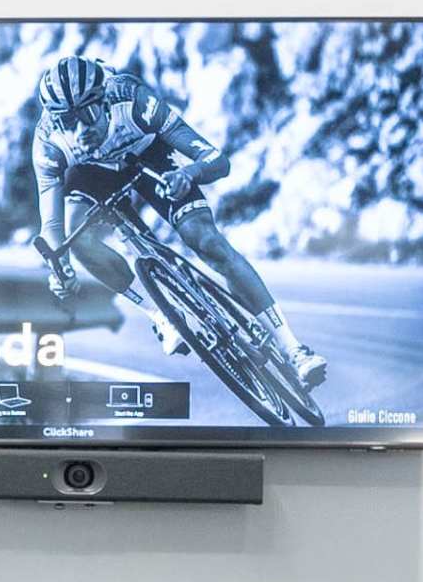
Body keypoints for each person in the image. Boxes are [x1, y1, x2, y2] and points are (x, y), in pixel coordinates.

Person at [25, 55, 325, 390]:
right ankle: (161, 315)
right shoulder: (48, 144)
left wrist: (189, 173)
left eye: (88, 114)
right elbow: (51, 229)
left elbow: (216, 160)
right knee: (76, 238)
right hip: (91, 177)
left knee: (207, 241)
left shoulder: (132, 99)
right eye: (68, 121)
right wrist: (59, 268)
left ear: (105, 99)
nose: (80, 129)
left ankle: (293, 349)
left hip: (148, 157)